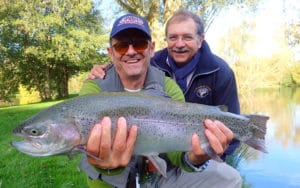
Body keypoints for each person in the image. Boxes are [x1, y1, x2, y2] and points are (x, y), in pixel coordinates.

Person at [80, 13, 242, 188]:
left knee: (228, 178)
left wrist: (194, 157)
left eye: (140, 44)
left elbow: (176, 153)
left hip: (159, 175)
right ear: (110, 53)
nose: (131, 51)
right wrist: (108, 167)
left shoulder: (169, 87)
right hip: (111, 184)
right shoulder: (94, 88)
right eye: (121, 46)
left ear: (151, 49)